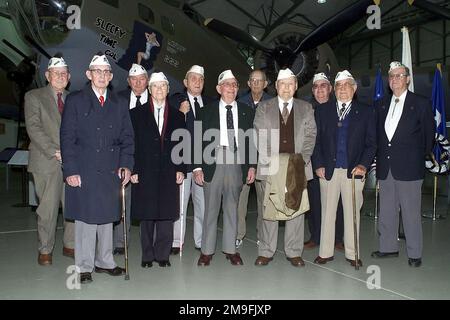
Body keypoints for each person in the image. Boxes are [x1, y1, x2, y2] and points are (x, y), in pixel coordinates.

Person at [60, 54, 134, 284]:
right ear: (89, 74)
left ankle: (105, 261)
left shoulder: (119, 103)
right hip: (85, 168)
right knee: (85, 218)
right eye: (97, 71)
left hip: (111, 168)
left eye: (106, 72)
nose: (102, 76)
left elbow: (127, 138)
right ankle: (83, 266)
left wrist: (126, 165)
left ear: (111, 77)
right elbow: (67, 138)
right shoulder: (76, 100)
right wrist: (70, 170)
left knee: (107, 217)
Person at [371, 61, 435, 268]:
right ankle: (388, 247)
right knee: (387, 210)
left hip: (409, 167)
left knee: (410, 212)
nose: (395, 79)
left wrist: (417, 157)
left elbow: (428, 136)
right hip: (386, 167)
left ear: (407, 79)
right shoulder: (381, 105)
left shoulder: (421, 103)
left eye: (399, 75)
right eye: (391, 76)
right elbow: (379, 137)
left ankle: (415, 253)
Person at [312, 70, 376, 267]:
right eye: (338, 85)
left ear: (354, 89)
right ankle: (325, 252)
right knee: (327, 213)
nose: (342, 89)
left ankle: (352, 253)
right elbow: (316, 141)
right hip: (328, 170)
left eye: (346, 85)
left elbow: (372, 143)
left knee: (352, 214)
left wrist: (363, 165)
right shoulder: (323, 110)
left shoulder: (366, 111)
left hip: (353, 171)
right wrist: (319, 164)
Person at [254, 68, 317, 267]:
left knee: (295, 208)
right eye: (283, 84)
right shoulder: (264, 107)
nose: (287, 88)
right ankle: (266, 250)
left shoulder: (306, 108)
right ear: (276, 86)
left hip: (297, 166)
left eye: (291, 84)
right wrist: (274, 161)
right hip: (270, 166)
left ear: (296, 86)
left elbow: (310, 136)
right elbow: (259, 135)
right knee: (269, 209)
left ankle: (293, 251)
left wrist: (300, 160)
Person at [193, 70, 256, 266]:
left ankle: (231, 249)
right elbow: (196, 140)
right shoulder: (205, 111)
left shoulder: (247, 111)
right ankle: (206, 251)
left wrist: (252, 166)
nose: (231, 88)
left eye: (235, 85)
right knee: (210, 208)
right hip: (213, 160)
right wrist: (196, 167)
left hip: (237, 161)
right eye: (227, 84)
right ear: (219, 88)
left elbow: (251, 141)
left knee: (232, 207)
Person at [130, 72, 186, 268]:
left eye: (163, 86)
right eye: (156, 86)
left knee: (166, 214)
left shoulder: (179, 116)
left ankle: (162, 254)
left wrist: (181, 168)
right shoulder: (136, 114)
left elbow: (182, 144)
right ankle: (147, 255)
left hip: (169, 170)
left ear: (168, 90)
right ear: (149, 89)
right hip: (145, 170)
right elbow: (132, 144)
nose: (159, 89)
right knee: (147, 214)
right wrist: (134, 169)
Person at [24, 56, 75, 266]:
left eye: (64, 73)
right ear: (47, 75)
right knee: (47, 208)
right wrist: (55, 151)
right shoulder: (34, 96)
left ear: (69, 77)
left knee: (73, 206)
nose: (61, 76)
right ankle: (45, 249)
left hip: (72, 162)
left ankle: (70, 244)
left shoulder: (74, 99)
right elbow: (34, 128)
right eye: (57, 73)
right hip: (46, 160)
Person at [169, 65, 212, 254]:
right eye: (193, 79)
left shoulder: (210, 103)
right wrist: (180, 113)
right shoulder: (175, 102)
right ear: (185, 82)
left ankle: (200, 241)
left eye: (201, 79)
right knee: (180, 204)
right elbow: (168, 130)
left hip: (204, 164)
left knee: (202, 204)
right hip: (183, 163)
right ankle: (177, 241)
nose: (197, 82)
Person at [304, 72, 344, 251]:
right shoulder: (306, 110)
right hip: (311, 163)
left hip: (334, 162)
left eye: (323, 86)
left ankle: (337, 238)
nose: (319, 90)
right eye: (316, 87)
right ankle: (315, 236)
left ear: (330, 89)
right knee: (314, 203)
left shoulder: (339, 108)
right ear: (313, 91)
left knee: (338, 203)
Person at [112, 63, 149, 255]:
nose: (138, 83)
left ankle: (149, 242)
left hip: (148, 160)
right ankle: (121, 241)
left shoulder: (156, 99)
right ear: (128, 82)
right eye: (134, 79)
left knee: (148, 201)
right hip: (124, 157)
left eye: (141, 79)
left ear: (147, 81)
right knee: (122, 201)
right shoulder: (118, 100)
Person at [235, 69, 272, 248]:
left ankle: (263, 235)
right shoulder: (239, 103)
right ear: (248, 84)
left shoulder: (273, 104)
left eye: (260, 81)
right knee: (240, 199)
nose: (256, 83)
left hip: (266, 160)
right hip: (243, 159)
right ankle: (238, 233)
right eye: (253, 80)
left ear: (266, 84)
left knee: (264, 200)